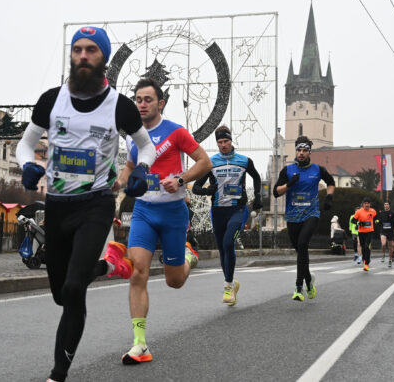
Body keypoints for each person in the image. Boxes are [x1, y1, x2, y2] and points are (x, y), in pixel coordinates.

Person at [15, 26, 156, 382]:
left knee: (74, 288)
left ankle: (57, 374)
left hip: (96, 204)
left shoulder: (119, 106)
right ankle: (101, 267)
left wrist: (142, 170)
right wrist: (27, 166)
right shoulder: (51, 100)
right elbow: (25, 144)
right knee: (61, 295)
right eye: (77, 49)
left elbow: (146, 145)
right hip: (58, 205)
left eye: (91, 50)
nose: (82, 56)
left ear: (103, 58)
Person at [117, 78, 212, 364]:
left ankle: (188, 256)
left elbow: (204, 162)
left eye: (147, 99)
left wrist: (181, 179)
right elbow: (130, 166)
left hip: (172, 213)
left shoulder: (176, 132)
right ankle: (140, 344)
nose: (142, 104)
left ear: (161, 103)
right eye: (138, 99)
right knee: (137, 273)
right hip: (144, 211)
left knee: (175, 281)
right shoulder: (132, 136)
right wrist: (119, 183)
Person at [192, 125, 262, 306]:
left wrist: (258, 197)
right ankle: (231, 283)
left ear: (231, 141)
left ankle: (227, 286)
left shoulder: (244, 161)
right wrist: (208, 190)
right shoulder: (210, 162)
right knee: (223, 250)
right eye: (220, 142)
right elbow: (196, 187)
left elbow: (256, 177)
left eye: (226, 141)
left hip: (238, 209)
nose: (223, 145)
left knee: (228, 242)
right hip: (218, 211)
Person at [273, 136, 335, 300]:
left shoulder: (318, 169)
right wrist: (289, 185)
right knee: (301, 251)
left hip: (311, 214)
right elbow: (275, 192)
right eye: (299, 150)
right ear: (296, 151)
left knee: (302, 244)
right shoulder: (288, 170)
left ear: (309, 152)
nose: (301, 153)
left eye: (305, 150)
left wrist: (329, 197)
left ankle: (299, 287)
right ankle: (309, 280)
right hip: (293, 216)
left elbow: (331, 182)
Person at [353, 198, 377, 271]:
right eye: (365, 203)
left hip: (370, 231)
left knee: (367, 246)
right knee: (363, 247)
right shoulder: (359, 212)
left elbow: (376, 218)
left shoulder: (373, 211)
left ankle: (366, 263)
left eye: (368, 203)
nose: (367, 205)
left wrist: (376, 221)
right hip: (361, 232)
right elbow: (353, 220)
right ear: (363, 204)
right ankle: (364, 259)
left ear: (370, 204)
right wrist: (359, 223)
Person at [376, 201, 394, 267]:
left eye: (387, 204)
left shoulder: (392, 213)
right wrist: (377, 222)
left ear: (389, 205)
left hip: (390, 231)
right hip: (383, 231)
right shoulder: (381, 212)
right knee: (383, 244)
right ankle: (383, 254)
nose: (386, 205)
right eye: (385, 204)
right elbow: (378, 220)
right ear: (384, 206)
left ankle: (390, 260)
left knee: (390, 246)